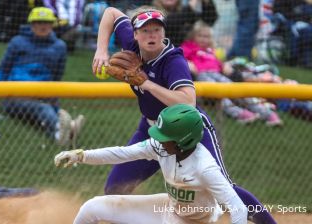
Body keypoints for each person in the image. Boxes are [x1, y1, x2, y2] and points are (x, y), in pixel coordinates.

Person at [92, 6, 277, 223]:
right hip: (152, 129)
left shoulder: (173, 61)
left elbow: (188, 102)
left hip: (188, 130)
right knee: (115, 187)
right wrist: (101, 50)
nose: (151, 35)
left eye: (157, 29)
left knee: (225, 187)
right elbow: (111, 13)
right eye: (144, 30)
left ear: (164, 32)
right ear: (134, 33)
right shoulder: (132, 46)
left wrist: (147, 84)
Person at [55, 104, 248, 224]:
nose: (159, 140)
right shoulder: (163, 147)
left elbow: (239, 208)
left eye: (166, 137)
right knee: (92, 207)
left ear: (184, 140)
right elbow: (122, 153)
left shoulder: (205, 167)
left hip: (195, 222)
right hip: (168, 209)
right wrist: (81, 155)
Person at [0, 7, 85, 146]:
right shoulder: (17, 42)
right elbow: (4, 69)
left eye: (47, 22)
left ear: (52, 24)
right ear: (32, 24)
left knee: (47, 109)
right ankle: (60, 133)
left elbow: (56, 77)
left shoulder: (59, 46)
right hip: (16, 94)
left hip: (43, 93)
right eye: (39, 22)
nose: (43, 26)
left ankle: (65, 129)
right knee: (42, 109)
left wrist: (53, 98)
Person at [181, 21, 282, 126]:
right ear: (193, 36)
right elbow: (179, 58)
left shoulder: (210, 51)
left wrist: (225, 66)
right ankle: (239, 113)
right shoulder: (189, 46)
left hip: (217, 74)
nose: (203, 39)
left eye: (206, 37)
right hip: (202, 75)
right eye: (200, 36)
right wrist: (187, 63)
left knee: (236, 90)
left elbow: (218, 64)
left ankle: (266, 113)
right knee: (220, 94)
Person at [152, 0, 217, 46]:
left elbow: (209, 21)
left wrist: (207, 2)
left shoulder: (185, 13)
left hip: (188, 56)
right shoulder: (151, 11)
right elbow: (168, 23)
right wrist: (190, 7)